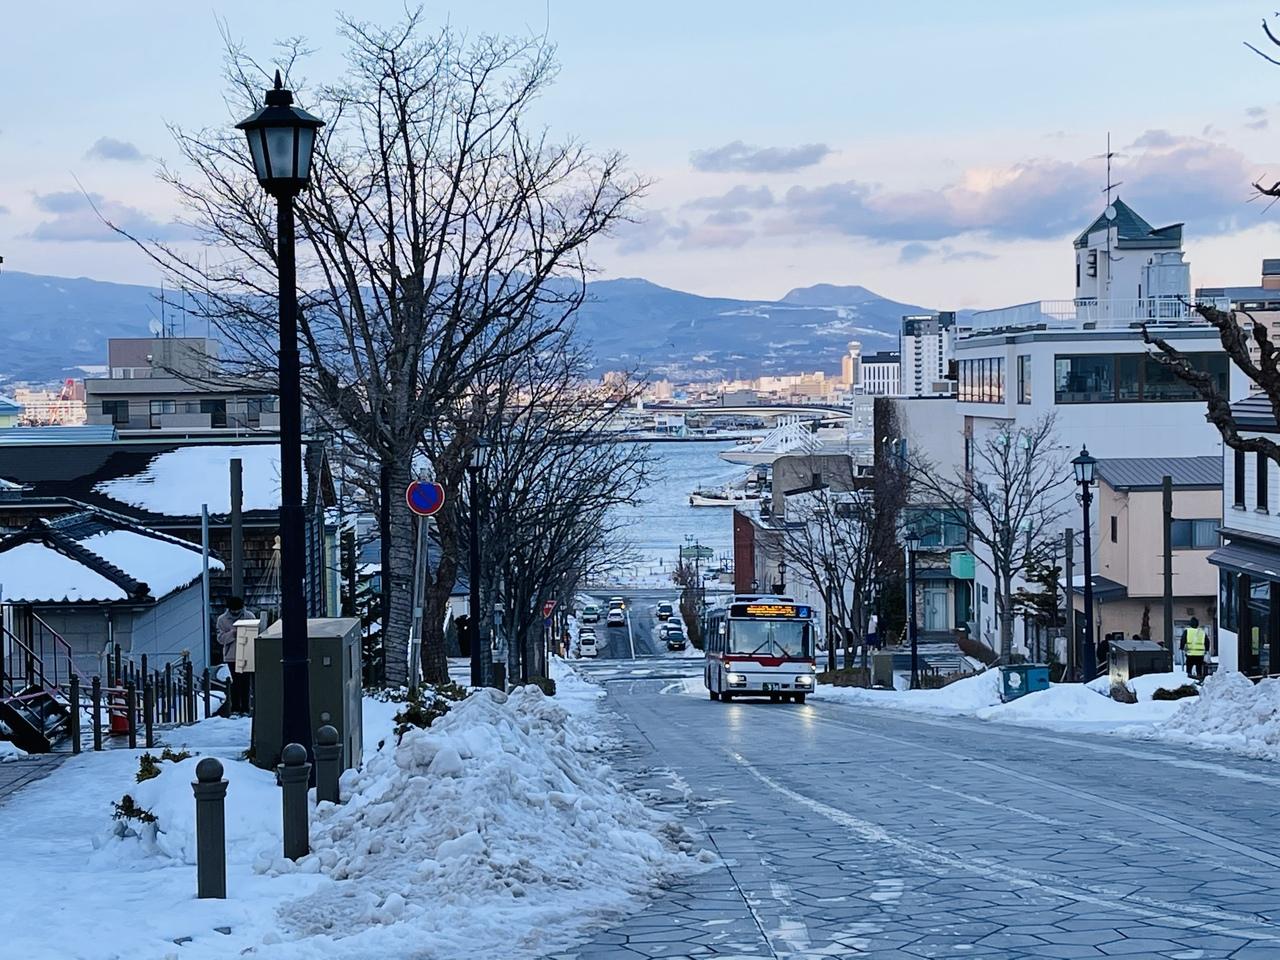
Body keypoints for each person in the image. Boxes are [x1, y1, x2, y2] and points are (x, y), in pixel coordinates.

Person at [215, 597, 252, 714]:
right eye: (233, 610)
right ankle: (235, 708)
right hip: (231, 655)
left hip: (246, 654)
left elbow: (255, 633)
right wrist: (233, 634)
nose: (236, 612)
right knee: (235, 683)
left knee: (245, 683)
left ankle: (245, 708)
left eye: (238, 610)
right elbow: (220, 639)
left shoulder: (249, 617)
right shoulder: (222, 620)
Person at [1181, 616, 1208, 681]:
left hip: (1190, 654)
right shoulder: (1202, 632)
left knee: (1189, 668)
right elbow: (1207, 641)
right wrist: (1206, 650)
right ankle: (1200, 679)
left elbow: (1183, 640)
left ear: (1190, 624)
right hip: (1200, 654)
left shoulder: (1187, 631)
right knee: (1199, 668)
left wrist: (1181, 647)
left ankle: (1189, 680)